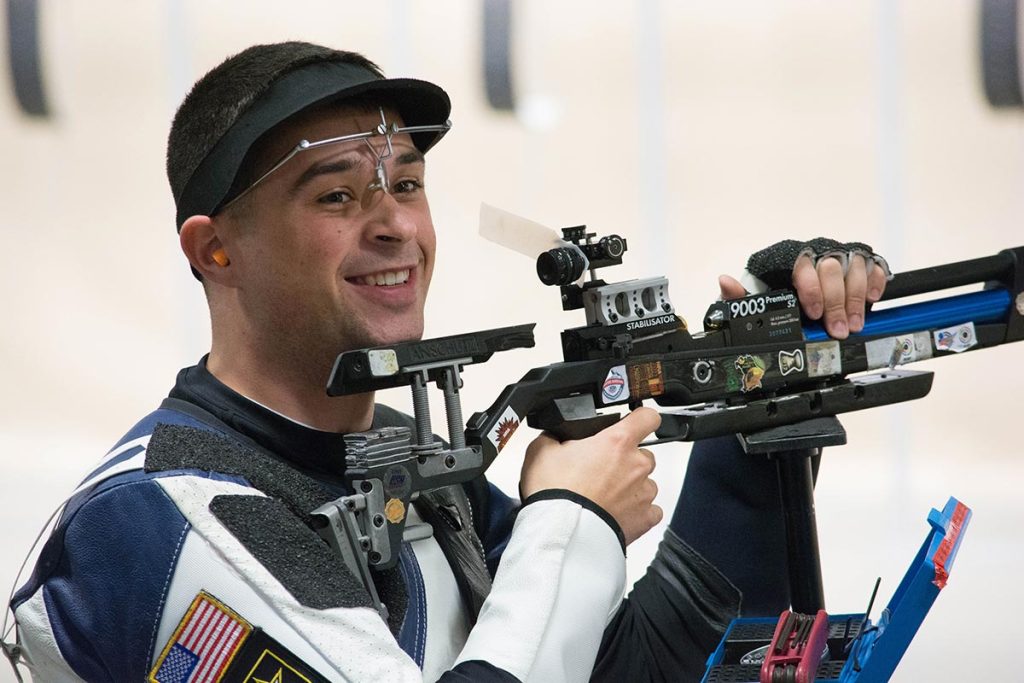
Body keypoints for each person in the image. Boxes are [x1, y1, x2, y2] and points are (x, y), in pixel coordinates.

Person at [6, 41, 888, 682]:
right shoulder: (157, 516)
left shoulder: (412, 467)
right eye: (339, 194)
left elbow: (635, 666)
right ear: (216, 250)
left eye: (408, 184)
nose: (394, 224)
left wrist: (761, 396)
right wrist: (570, 519)